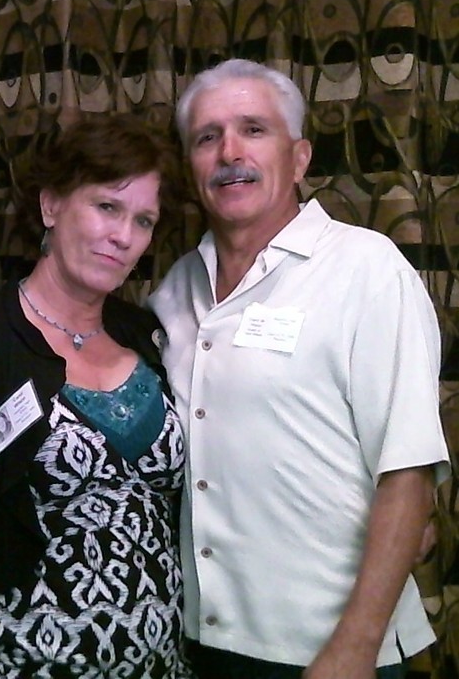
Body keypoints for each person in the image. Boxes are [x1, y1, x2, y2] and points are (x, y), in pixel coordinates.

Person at [148, 58, 451, 678]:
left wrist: (354, 647)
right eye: (207, 137)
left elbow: (408, 471)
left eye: (254, 129)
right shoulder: (174, 290)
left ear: (300, 158)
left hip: (329, 649)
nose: (230, 152)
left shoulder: (366, 269)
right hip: (200, 643)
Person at [0, 114, 195, 678]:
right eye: (106, 207)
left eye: (143, 220)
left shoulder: (149, 336)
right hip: (21, 663)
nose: (123, 236)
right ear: (51, 205)